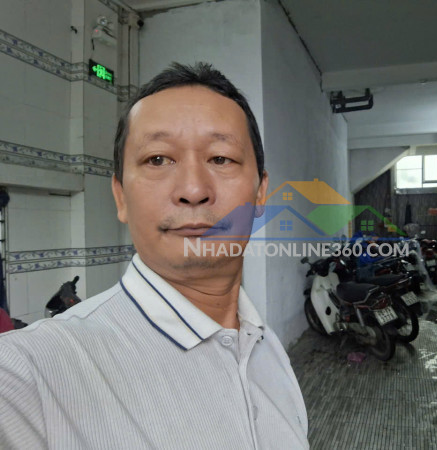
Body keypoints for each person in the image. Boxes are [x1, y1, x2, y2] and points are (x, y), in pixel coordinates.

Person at [0, 62, 308, 449]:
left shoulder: (266, 346)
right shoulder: (31, 373)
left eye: (220, 158)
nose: (193, 190)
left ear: (261, 193)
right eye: (158, 159)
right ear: (120, 196)